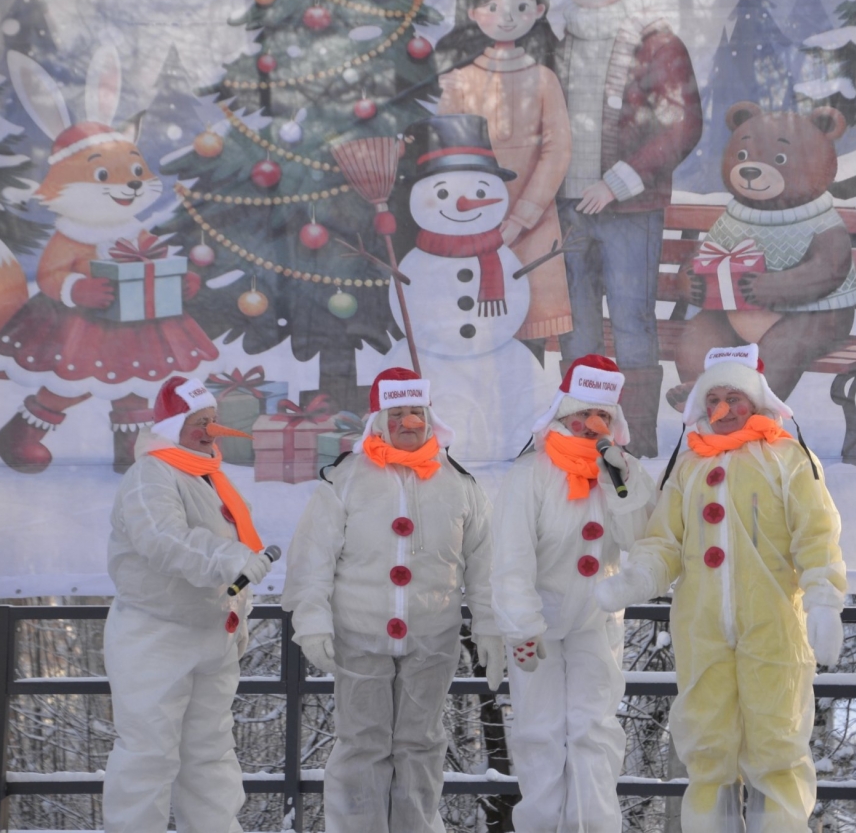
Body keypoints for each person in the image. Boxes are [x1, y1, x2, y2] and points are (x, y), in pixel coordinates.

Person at [596, 343, 845, 833]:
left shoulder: (788, 459)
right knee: (707, 751)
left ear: (756, 401)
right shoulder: (687, 468)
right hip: (702, 631)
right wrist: (636, 579)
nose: (724, 409)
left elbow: (817, 535)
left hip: (772, 629)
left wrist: (823, 599)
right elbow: (663, 542)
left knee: (778, 746)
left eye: (735, 397)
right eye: (714, 400)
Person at [281, 367, 501, 833]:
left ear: (429, 416)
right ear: (379, 419)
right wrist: (312, 621)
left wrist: (489, 624)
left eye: (416, 412)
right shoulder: (345, 479)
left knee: (421, 743)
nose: (408, 422)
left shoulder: (460, 483)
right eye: (397, 413)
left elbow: (485, 563)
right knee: (362, 743)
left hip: (432, 638)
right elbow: (312, 556)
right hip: (359, 635)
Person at [491, 354, 656, 833]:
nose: (589, 425)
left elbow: (640, 539)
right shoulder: (530, 474)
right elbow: (511, 556)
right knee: (539, 732)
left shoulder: (623, 472)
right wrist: (520, 625)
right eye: (580, 416)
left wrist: (621, 480)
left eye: (601, 416)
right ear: (562, 417)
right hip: (537, 625)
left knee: (595, 732)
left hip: (596, 621)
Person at [102, 376, 272, 833]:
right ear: (172, 425)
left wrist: (238, 618)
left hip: (211, 636)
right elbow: (162, 539)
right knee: (148, 755)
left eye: (213, 421)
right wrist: (232, 559)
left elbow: (227, 555)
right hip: (154, 636)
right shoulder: (151, 473)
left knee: (210, 755)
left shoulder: (207, 476)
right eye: (199, 422)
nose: (209, 429)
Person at [553, 0, 702, 457]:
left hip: (630, 210)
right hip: (564, 205)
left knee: (632, 320)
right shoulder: (556, 38)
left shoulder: (657, 43)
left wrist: (619, 181)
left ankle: (636, 438)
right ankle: (582, 428)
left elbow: (682, 123)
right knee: (575, 323)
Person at [436, 0, 573, 350]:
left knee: (530, 328)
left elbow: (557, 150)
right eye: (493, 6)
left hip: (533, 223)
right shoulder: (462, 79)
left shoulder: (544, 79)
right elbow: (446, 152)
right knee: (474, 328)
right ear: (473, 13)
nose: (507, 16)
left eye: (521, 5)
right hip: (472, 224)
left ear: (539, 10)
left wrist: (521, 217)